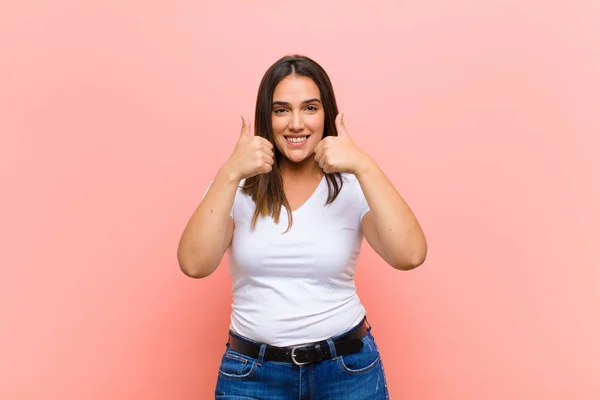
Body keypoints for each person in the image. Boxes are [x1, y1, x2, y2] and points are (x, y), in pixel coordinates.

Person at [177, 54, 427, 399]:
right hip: (252, 375)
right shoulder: (236, 183)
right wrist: (229, 173)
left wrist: (365, 166)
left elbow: (410, 255)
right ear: (266, 116)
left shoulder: (353, 184)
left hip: (347, 371)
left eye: (310, 108)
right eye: (281, 110)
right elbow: (194, 264)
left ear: (327, 114)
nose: (296, 123)